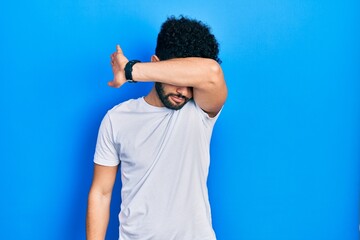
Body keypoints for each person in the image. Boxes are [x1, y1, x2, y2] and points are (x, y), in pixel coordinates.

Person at [86, 16, 227, 240]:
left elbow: (211, 72)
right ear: (156, 63)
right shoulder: (117, 119)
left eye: (190, 84)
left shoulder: (201, 113)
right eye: (175, 79)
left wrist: (131, 70)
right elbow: (101, 193)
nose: (184, 92)